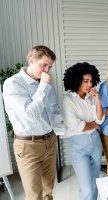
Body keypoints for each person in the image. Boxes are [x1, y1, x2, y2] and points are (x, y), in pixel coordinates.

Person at [2, 45, 59, 200]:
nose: (47, 70)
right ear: (31, 60)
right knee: (34, 196)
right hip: (28, 146)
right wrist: (44, 86)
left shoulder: (45, 81)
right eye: (44, 65)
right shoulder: (12, 84)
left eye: (50, 67)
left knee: (48, 191)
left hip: (50, 140)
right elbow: (31, 115)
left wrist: (60, 126)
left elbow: (53, 109)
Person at [62, 62, 104, 200]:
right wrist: (93, 125)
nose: (89, 84)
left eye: (91, 81)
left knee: (94, 184)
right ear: (76, 80)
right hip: (79, 147)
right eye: (85, 81)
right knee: (86, 187)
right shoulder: (68, 100)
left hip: (96, 144)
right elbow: (77, 125)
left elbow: (99, 120)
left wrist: (97, 100)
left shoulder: (91, 97)